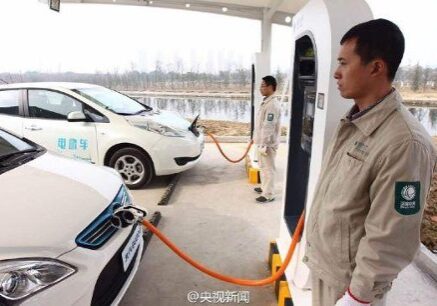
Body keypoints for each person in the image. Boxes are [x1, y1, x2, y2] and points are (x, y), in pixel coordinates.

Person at [304, 19, 437, 306]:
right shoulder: (354, 121)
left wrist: (357, 297)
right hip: (325, 268)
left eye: (344, 63)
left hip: (350, 287)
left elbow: (393, 235)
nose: (336, 73)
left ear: (376, 67)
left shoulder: (405, 143)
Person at [253, 75, 282, 203]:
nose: (261, 88)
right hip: (261, 142)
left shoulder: (272, 105)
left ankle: (269, 194)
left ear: (271, 87)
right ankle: (264, 188)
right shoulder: (266, 102)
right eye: (260, 86)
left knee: (268, 168)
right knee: (263, 166)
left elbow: (268, 126)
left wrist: (263, 143)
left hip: (267, 143)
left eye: (263, 86)